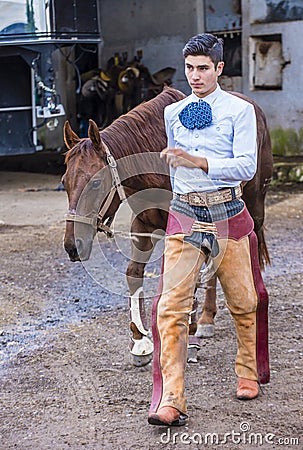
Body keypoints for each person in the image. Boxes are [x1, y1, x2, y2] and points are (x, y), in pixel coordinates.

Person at [148, 33, 269, 427]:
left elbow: (247, 168)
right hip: (184, 215)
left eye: (203, 68)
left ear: (219, 68)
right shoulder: (173, 113)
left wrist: (198, 161)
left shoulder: (240, 110)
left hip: (228, 212)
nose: (195, 76)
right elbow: (173, 164)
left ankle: (248, 372)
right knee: (170, 308)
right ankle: (172, 399)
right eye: (189, 68)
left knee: (243, 301)